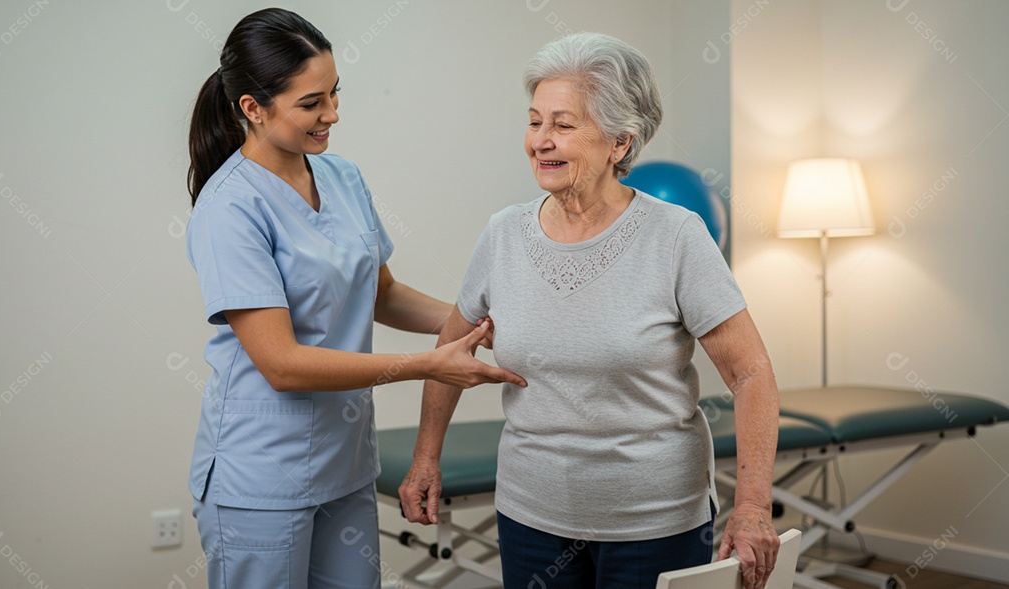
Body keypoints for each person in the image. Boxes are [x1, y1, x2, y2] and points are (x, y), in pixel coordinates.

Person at [399, 32, 780, 589]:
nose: (540, 141)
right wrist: (425, 458)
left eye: (563, 124)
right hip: (530, 515)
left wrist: (752, 505)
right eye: (534, 122)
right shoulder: (504, 233)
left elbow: (750, 372)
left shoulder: (674, 236)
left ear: (620, 143)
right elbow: (450, 349)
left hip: (656, 524)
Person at [183, 8, 525, 588]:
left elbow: (381, 294)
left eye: (335, 94)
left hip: (345, 466)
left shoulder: (341, 177)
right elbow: (283, 365)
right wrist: (427, 365)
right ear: (252, 108)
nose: (332, 115)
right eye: (311, 103)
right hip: (260, 475)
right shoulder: (230, 208)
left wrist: (478, 321)